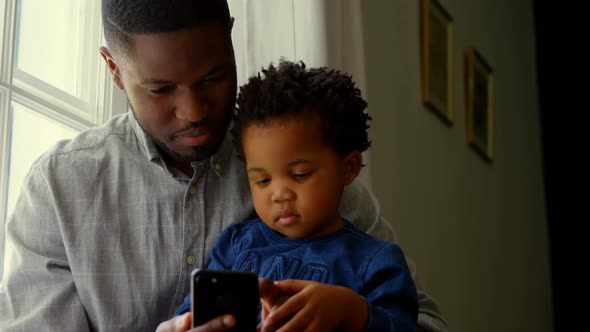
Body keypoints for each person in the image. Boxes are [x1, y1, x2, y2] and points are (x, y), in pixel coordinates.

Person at [0, 1, 447, 331]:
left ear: (231, 37)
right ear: (113, 69)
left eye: (213, 78)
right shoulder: (57, 189)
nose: (193, 111)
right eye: (160, 90)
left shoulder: (315, 167)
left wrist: (355, 316)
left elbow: (423, 323)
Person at [174, 60, 419, 331]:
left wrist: (353, 311)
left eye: (300, 174)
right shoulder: (236, 245)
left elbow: (402, 325)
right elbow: (191, 312)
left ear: (349, 168)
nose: (279, 194)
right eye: (263, 180)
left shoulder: (376, 261)